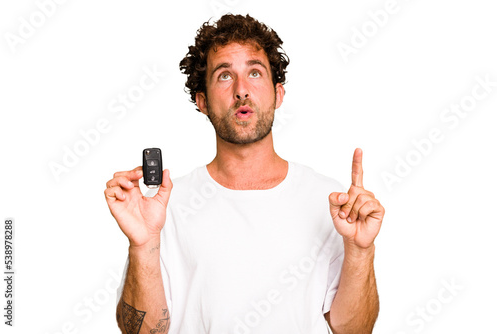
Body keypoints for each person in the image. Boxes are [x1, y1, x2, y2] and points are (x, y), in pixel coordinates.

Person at [105, 14, 385, 334]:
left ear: (278, 94)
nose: (241, 90)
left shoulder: (332, 202)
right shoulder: (162, 209)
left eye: (254, 72)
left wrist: (361, 251)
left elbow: (354, 331)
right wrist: (142, 245)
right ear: (203, 101)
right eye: (225, 76)